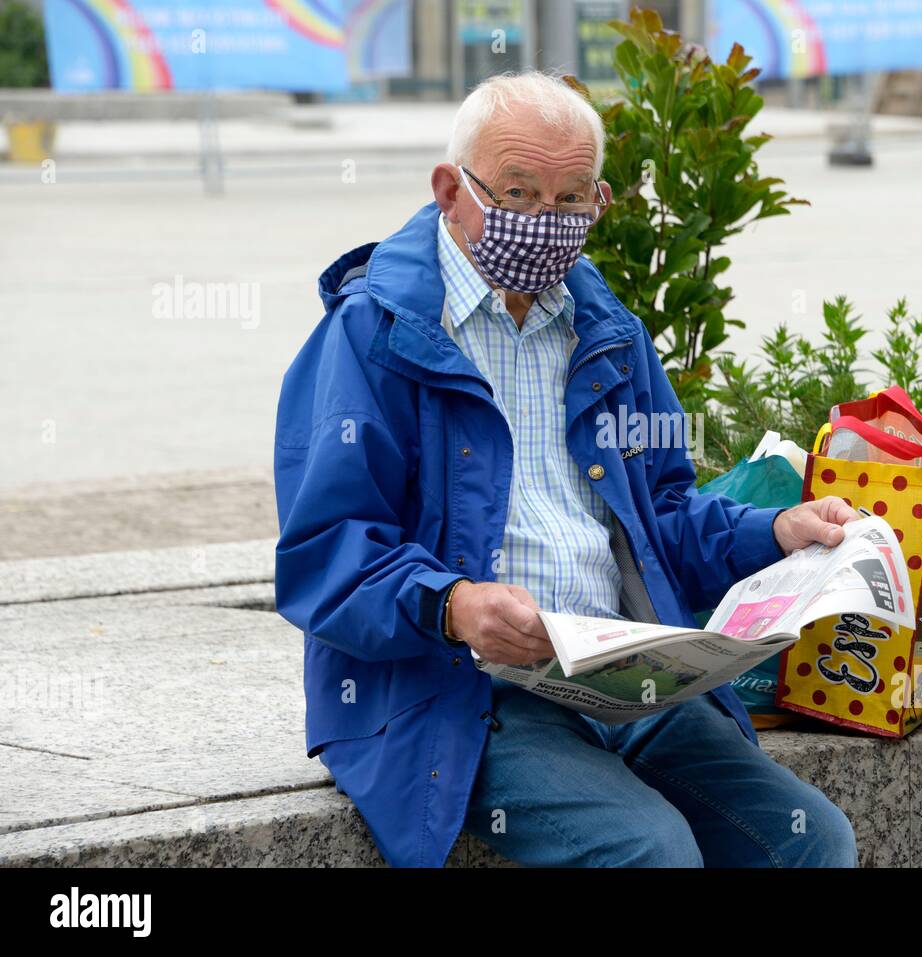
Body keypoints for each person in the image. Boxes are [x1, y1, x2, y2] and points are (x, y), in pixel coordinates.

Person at [273, 71, 860, 868]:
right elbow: (324, 556)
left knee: (813, 839)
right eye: (517, 192)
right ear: (451, 190)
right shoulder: (371, 333)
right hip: (462, 692)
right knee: (651, 852)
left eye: (569, 198)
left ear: (601, 203)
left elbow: (665, 512)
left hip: (624, 676)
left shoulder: (608, 333)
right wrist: (452, 604)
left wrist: (777, 529)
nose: (544, 222)